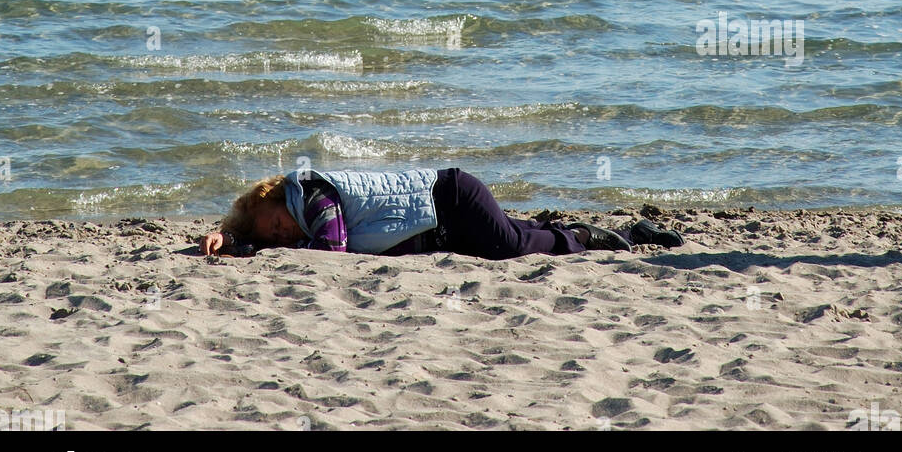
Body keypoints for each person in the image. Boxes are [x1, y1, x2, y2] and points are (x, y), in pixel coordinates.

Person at [198, 165, 684, 260]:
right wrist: (232, 239)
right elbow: (277, 240)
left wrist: (249, 250)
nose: (284, 237)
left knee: (509, 247)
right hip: (443, 227)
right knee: (513, 236)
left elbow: (332, 250)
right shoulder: (291, 218)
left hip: (451, 197)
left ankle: (581, 235)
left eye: (278, 226)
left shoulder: (315, 197)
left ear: (278, 200)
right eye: (275, 238)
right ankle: (633, 233)